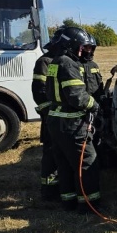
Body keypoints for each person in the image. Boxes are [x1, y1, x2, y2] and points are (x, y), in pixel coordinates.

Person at [45, 26, 101, 213]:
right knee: (86, 162)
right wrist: (94, 105)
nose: (83, 51)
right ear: (71, 46)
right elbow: (77, 96)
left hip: (56, 121)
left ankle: (68, 202)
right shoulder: (69, 64)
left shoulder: (55, 62)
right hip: (71, 123)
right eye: (81, 47)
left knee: (65, 164)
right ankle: (89, 205)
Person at [32, 27, 64, 200]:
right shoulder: (45, 62)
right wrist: (49, 113)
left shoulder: (63, 60)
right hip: (52, 117)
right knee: (51, 152)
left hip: (63, 117)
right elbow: (39, 91)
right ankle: (49, 190)